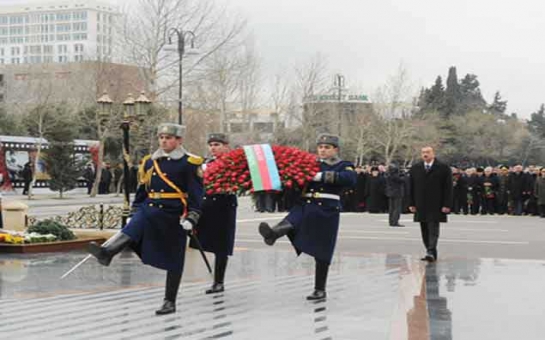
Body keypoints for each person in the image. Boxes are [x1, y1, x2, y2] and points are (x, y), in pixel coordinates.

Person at [87, 123, 204, 315]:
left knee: (175, 258)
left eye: (168, 137)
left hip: (173, 213)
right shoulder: (150, 161)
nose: (164, 140)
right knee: (134, 228)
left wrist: (192, 216)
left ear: (179, 140)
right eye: (161, 137)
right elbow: (143, 188)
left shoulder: (189, 162)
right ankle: (108, 252)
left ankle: (169, 301)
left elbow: (196, 193)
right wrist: (135, 209)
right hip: (149, 207)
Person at [258, 134, 356, 300]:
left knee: (323, 250)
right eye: (320, 147)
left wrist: (321, 176)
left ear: (335, 150)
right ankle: (273, 234)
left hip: (326, 208)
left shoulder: (343, 165)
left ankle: (320, 289)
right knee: (294, 218)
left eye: (327, 147)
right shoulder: (310, 163)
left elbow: (350, 179)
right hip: (307, 203)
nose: (322, 150)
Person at [189, 133, 237, 294]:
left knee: (221, 245)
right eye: (211, 145)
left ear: (226, 146)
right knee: (196, 235)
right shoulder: (206, 163)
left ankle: (219, 282)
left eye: (217, 144)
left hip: (224, 204)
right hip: (206, 203)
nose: (213, 148)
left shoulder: (233, 162)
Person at [409, 146, 453, 263]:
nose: (425, 154)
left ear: (433, 153)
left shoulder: (443, 168)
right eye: (423, 152)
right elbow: (410, 187)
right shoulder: (415, 168)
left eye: (428, 152)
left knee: (433, 228)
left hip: (436, 204)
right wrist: (411, 203)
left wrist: (447, 204)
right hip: (420, 204)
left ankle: (430, 251)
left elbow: (448, 188)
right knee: (424, 229)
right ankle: (430, 252)